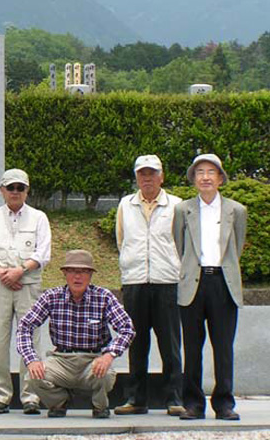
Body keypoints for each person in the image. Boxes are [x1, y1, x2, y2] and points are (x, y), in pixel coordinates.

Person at [16, 250, 135, 419]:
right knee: (33, 376)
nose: (77, 277)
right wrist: (32, 359)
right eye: (72, 271)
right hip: (61, 359)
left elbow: (127, 328)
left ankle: (99, 405)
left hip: (93, 359)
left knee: (106, 374)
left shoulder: (104, 297)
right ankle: (59, 402)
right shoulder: (51, 297)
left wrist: (109, 355)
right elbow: (25, 326)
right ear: (65, 273)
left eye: (84, 271)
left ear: (91, 275)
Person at [174, 154, 247, 421]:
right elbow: (180, 245)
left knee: (223, 346)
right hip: (193, 281)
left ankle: (224, 403)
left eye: (211, 172)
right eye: (200, 172)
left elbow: (235, 247)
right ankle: (193, 403)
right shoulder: (183, 210)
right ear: (193, 178)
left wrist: (220, 270)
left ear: (220, 178)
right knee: (192, 347)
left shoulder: (236, 210)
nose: (205, 177)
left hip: (222, 283)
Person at [0, 168, 51, 415]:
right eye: (11, 188)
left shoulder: (39, 217)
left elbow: (43, 252)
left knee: (30, 339)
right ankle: (0, 396)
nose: (15, 192)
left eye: (20, 188)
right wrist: (3, 274)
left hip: (28, 285)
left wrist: (20, 270)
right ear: (2, 191)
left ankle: (31, 396)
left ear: (27, 191)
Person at [114, 155, 184, 416]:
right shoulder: (125, 205)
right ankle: (136, 398)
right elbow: (122, 241)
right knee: (136, 342)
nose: (147, 178)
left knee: (170, 345)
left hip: (167, 281)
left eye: (152, 173)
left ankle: (174, 398)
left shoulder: (176, 205)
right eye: (142, 174)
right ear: (136, 177)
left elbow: (181, 243)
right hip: (135, 282)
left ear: (162, 176)